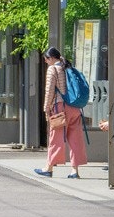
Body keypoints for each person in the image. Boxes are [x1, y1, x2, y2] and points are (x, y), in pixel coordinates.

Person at [36, 48, 86, 178]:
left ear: (52, 58)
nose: (46, 62)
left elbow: (49, 91)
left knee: (56, 138)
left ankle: (49, 168)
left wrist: (46, 108)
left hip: (60, 107)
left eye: (46, 59)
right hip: (75, 107)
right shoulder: (68, 67)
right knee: (75, 139)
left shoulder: (53, 69)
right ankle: (75, 171)